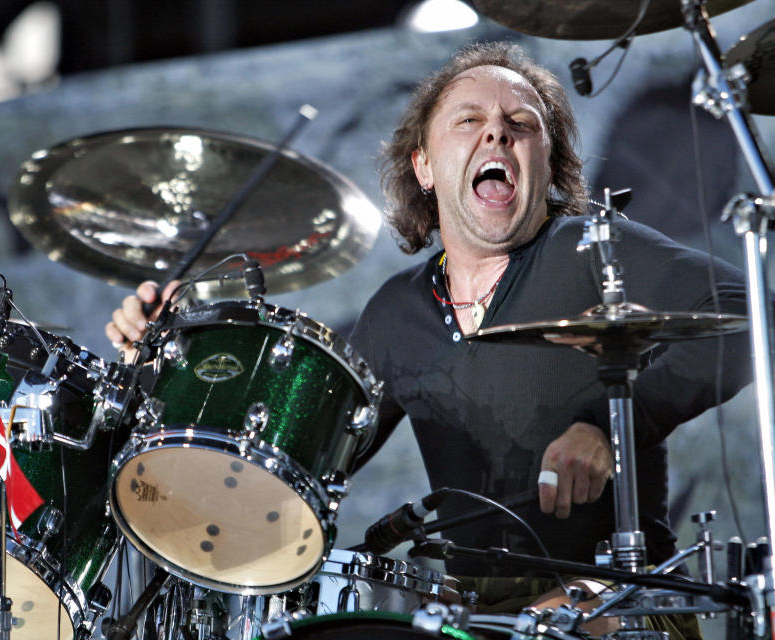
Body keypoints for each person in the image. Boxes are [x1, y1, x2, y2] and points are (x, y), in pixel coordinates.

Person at [106, 42, 749, 638]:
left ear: (546, 165)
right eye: (468, 121)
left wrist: (615, 426)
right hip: (471, 614)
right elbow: (283, 459)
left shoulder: (594, 250)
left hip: (618, 596)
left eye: (521, 124)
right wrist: (164, 362)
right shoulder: (396, 311)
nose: (497, 131)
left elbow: (748, 311)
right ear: (424, 166)